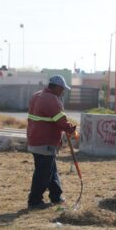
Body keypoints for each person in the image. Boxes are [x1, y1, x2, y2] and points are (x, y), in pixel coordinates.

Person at [27, 75, 77, 210]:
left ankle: (56, 196)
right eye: (62, 89)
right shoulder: (51, 99)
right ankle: (35, 200)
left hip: (35, 139)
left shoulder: (38, 95)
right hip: (45, 141)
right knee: (43, 173)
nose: (63, 92)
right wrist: (70, 128)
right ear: (57, 87)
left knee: (51, 170)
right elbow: (60, 120)